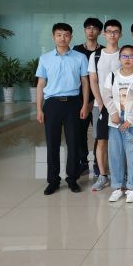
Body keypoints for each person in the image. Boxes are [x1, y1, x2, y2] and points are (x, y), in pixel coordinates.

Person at [36, 23, 89, 195]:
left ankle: (72, 179)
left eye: (66, 35)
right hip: (52, 104)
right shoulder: (45, 59)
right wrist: (39, 109)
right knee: (52, 143)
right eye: (59, 35)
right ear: (53, 37)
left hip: (73, 103)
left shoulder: (80, 57)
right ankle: (53, 181)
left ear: (71, 37)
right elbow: (41, 84)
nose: (62, 38)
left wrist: (84, 105)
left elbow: (85, 82)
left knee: (73, 142)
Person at [103, 45, 133, 203]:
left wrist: (130, 120)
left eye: (131, 56)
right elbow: (106, 96)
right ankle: (117, 187)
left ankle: (132, 188)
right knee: (115, 155)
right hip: (115, 122)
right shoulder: (112, 76)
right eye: (124, 56)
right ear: (119, 58)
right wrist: (113, 113)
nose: (127, 59)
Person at [88, 20, 123, 192]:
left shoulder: (125, 54)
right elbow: (93, 81)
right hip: (100, 105)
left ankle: (121, 175)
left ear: (120, 35)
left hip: (122, 106)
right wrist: (100, 102)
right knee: (101, 141)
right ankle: (102, 176)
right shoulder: (95, 56)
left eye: (115, 31)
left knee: (122, 141)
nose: (112, 34)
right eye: (109, 31)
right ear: (104, 34)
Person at [72, 17, 104, 177]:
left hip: (99, 100)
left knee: (99, 134)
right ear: (84, 31)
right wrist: (84, 101)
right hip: (79, 99)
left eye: (95, 28)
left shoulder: (103, 51)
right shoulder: (76, 50)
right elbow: (75, 75)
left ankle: (98, 162)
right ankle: (83, 162)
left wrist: (94, 100)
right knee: (79, 133)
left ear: (100, 32)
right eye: (88, 28)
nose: (91, 31)